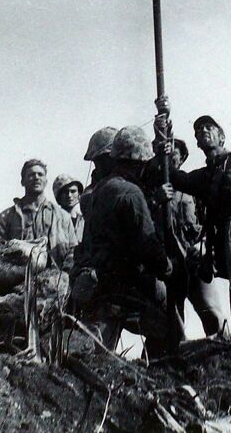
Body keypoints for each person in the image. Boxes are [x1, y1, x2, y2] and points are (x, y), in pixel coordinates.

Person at [77, 125, 180, 355]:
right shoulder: (131, 193)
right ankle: (155, 373)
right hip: (127, 282)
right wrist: (168, 267)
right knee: (170, 329)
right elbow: (147, 244)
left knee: (98, 353)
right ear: (139, 163)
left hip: (101, 281)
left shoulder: (99, 190)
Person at [171, 115, 231, 337]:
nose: (203, 130)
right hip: (224, 240)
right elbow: (176, 178)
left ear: (221, 136)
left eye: (208, 127)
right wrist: (163, 146)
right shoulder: (204, 176)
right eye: (198, 130)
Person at [152, 139, 226, 337]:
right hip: (167, 264)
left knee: (212, 313)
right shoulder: (149, 189)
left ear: (183, 158)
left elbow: (210, 222)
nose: (169, 159)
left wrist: (203, 246)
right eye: (165, 155)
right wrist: (155, 199)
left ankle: (223, 351)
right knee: (171, 318)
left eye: (174, 154)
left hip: (195, 260)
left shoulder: (193, 186)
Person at [0, 159, 77, 269]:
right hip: (17, 280)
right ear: (22, 181)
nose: (36, 177)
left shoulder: (62, 217)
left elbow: (73, 251)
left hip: (55, 280)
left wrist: (64, 274)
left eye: (40, 174)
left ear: (46, 181)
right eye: (31, 175)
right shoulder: (7, 216)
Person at [53, 174, 84, 242]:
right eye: (65, 192)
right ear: (58, 195)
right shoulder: (52, 220)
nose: (69, 195)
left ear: (79, 194)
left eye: (73, 191)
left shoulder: (85, 219)